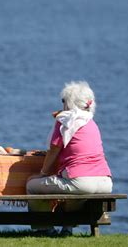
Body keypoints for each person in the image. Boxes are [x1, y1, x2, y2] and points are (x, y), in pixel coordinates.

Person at [26, 81, 112, 237]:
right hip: (105, 182)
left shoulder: (66, 120)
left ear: (69, 103)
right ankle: (67, 229)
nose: (62, 104)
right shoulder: (92, 123)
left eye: (63, 101)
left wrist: (43, 173)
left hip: (82, 181)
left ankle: (44, 228)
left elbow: (54, 150)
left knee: (32, 186)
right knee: (76, 195)